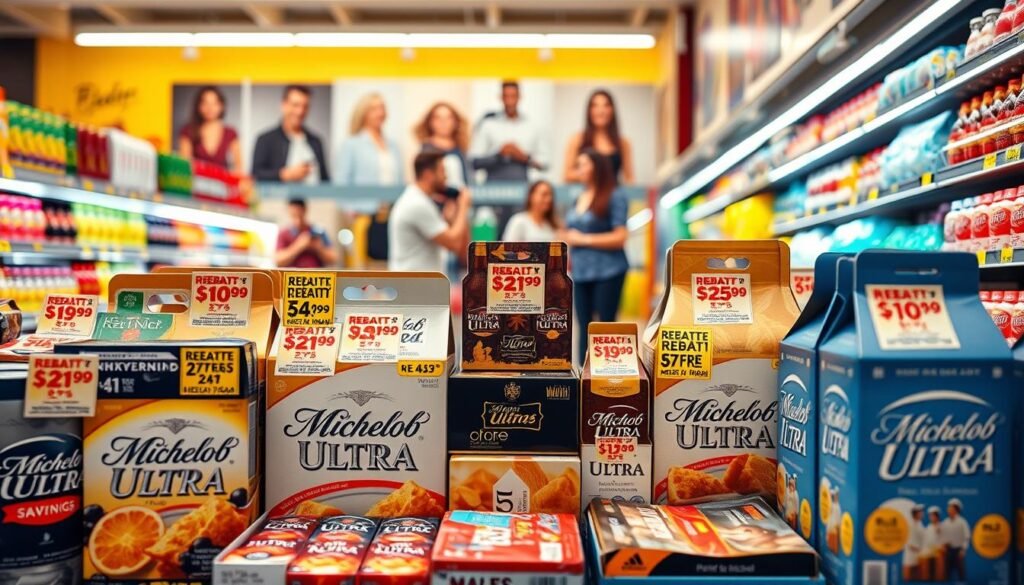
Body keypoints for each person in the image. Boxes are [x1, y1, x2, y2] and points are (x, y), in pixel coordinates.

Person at [560, 149, 628, 359]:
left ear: (596, 167)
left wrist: (583, 239)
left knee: (605, 326)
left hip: (608, 270)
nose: (578, 169)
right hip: (581, 272)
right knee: (583, 326)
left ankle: (606, 376)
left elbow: (620, 236)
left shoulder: (614, 195)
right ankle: (584, 376)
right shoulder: (578, 197)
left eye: (583, 164)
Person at [388, 152, 472, 272]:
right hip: (414, 286)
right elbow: (453, 243)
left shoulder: (421, 201)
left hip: (419, 284)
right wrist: (463, 207)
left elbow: (462, 251)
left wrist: (453, 219)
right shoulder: (417, 204)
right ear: (428, 174)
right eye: (443, 171)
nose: (446, 177)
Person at [470, 81, 547, 182]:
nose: (510, 101)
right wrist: (499, 155)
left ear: (519, 97)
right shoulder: (488, 125)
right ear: (501, 97)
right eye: (506, 96)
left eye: (513, 96)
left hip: (522, 186)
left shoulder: (532, 126)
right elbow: (474, 161)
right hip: (493, 187)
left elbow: (545, 163)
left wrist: (523, 157)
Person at [251, 85, 329, 184]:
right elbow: (255, 175)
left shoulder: (316, 142)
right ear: (284, 105)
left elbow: (325, 180)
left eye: (305, 106)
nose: (300, 111)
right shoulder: (265, 140)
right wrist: (284, 175)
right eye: (295, 105)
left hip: (315, 199)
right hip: (278, 199)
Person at [563, 89, 634, 184]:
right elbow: (567, 174)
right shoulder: (577, 139)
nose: (601, 111)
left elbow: (629, 178)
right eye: (595, 106)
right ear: (589, 111)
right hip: (586, 195)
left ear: (612, 110)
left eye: (606, 106)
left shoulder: (623, 143)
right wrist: (588, 174)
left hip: (614, 195)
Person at [336, 93, 403, 186]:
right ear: (363, 113)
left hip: (392, 200)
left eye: (382, 108)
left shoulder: (394, 146)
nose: (380, 113)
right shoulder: (351, 145)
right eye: (374, 109)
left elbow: (399, 181)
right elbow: (341, 184)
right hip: (364, 200)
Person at [177, 86, 242, 172]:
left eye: (214, 103)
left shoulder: (230, 132)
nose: (210, 108)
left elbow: (238, 164)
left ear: (221, 106)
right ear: (199, 106)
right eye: (205, 103)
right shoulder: (188, 131)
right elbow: (185, 163)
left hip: (222, 181)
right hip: (196, 181)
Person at [415, 102, 470, 189]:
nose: (443, 123)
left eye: (448, 118)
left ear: (455, 121)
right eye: (438, 118)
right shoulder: (426, 150)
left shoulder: (460, 148)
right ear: (430, 122)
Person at [275, 198, 337, 268]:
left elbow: (333, 259)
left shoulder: (318, 232)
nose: (298, 221)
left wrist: (318, 248)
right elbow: (278, 261)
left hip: (316, 276)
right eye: (294, 216)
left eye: (300, 216)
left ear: (305, 210)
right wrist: (299, 246)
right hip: (293, 276)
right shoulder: (284, 234)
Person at [942, 498, 970, 581]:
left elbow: (967, 537)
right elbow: (942, 535)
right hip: (948, 550)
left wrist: (963, 550)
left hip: (958, 550)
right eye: (948, 507)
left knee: (960, 571)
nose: (948, 509)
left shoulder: (962, 522)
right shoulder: (945, 522)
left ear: (956, 510)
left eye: (951, 508)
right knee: (947, 571)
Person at [903, 505, 926, 581]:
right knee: (908, 576)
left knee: (918, 577)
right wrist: (917, 549)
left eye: (922, 512)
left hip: (919, 555)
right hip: (910, 555)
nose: (922, 514)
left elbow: (923, 538)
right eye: (920, 512)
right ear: (916, 514)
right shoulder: (909, 525)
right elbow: (908, 542)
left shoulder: (920, 524)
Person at [922, 506, 945, 580]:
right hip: (929, 551)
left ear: (937, 516)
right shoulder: (928, 527)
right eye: (930, 516)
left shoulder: (942, 526)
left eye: (933, 516)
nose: (932, 518)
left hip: (939, 551)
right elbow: (925, 540)